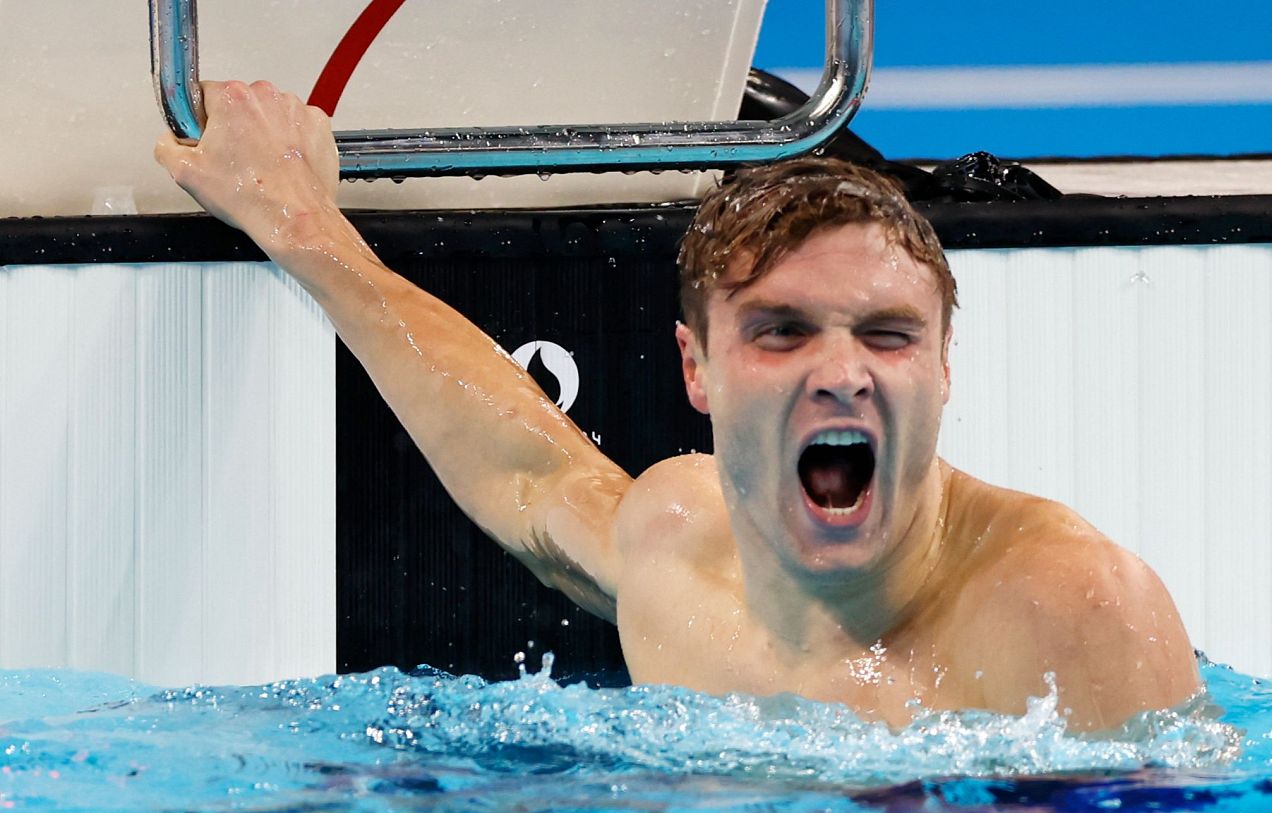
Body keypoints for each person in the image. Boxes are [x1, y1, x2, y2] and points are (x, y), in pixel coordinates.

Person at [156, 80, 1200, 731]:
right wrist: (301, 223)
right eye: (781, 331)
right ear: (696, 370)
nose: (841, 371)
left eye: (887, 333)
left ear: (942, 364)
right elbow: (528, 470)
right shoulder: (678, 547)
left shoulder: (1072, 615)